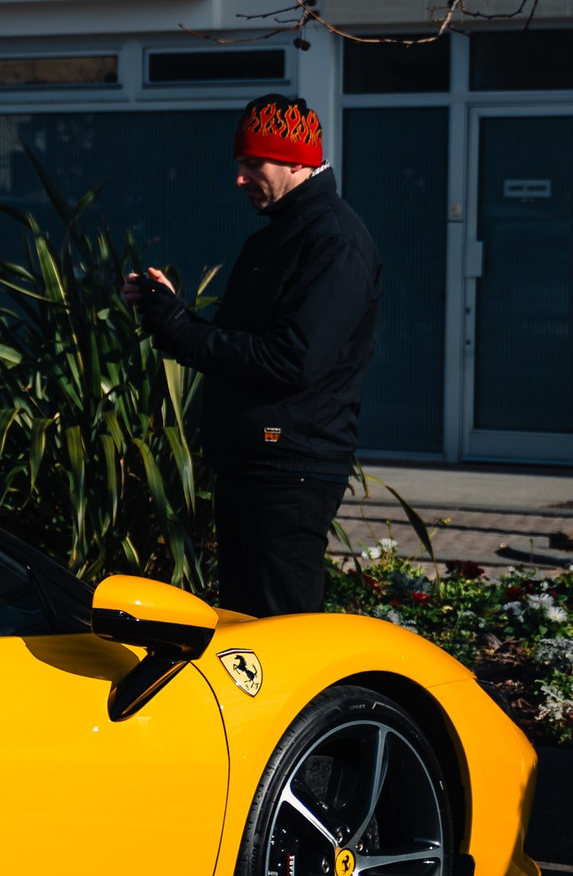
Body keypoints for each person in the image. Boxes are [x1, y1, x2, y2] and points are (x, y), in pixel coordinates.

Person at [124, 95, 381, 618]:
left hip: (290, 467)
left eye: (251, 164)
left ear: (296, 160)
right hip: (260, 459)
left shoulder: (331, 240)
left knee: (281, 630)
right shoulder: (284, 234)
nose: (239, 179)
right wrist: (171, 316)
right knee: (250, 628)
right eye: (240, 163)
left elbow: (292, 360)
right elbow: (246, 347)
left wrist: (181, 329)